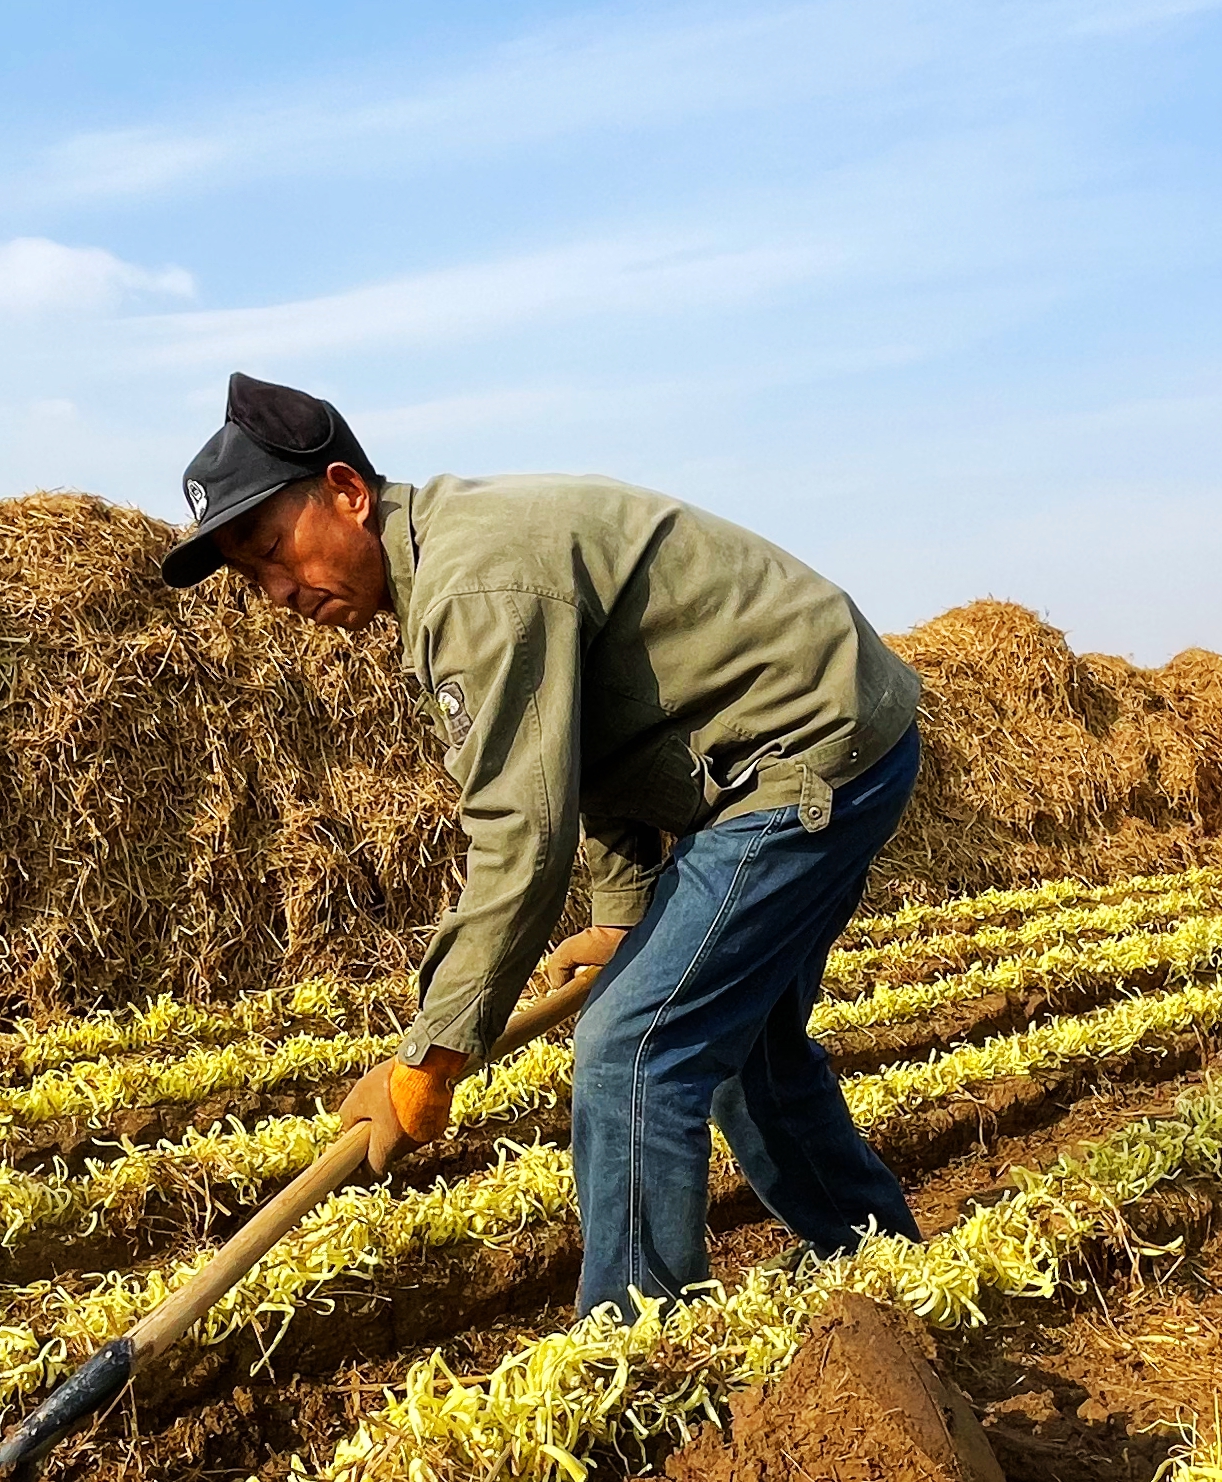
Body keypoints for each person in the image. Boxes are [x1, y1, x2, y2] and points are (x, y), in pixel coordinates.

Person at [162, 372, 923, 1319]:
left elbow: (522, 832)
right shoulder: (449, 565)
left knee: (633, 1049)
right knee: (739, 1050)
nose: (276, 591)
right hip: (811, 734)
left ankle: (635, 1357)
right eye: (252, 576)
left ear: (348, 494)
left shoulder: (475, 585)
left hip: (804, 748)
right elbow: (591, 750)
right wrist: (623, 915)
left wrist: (432, 1052)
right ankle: (882, 1266)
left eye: (273, 548)